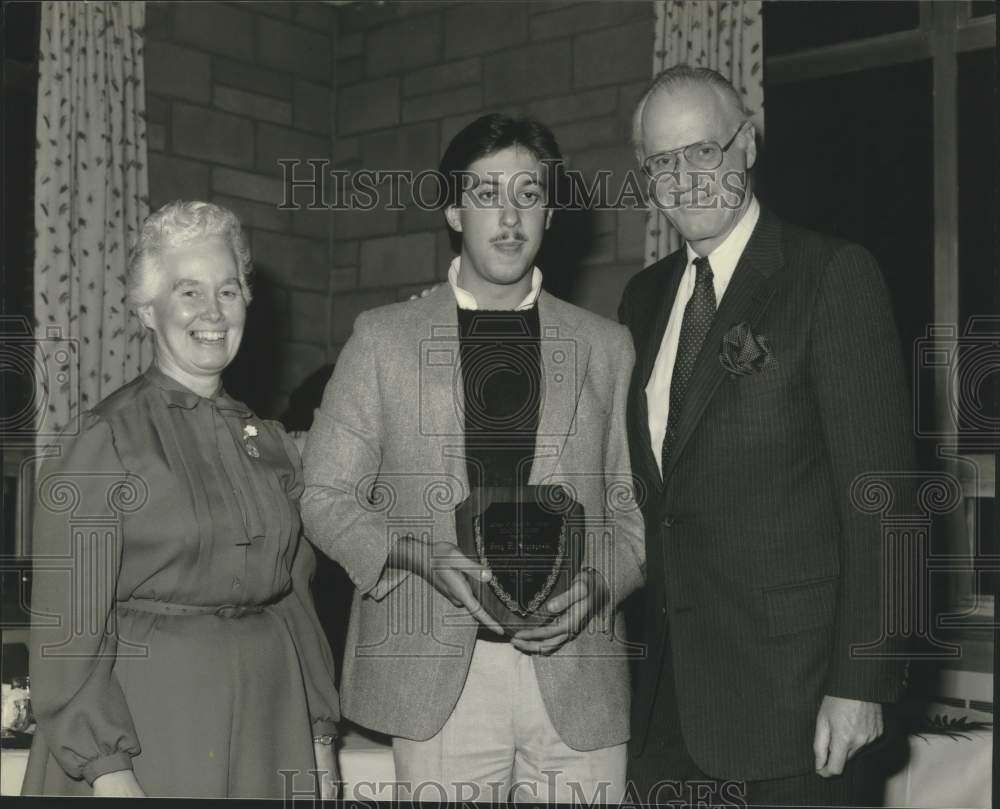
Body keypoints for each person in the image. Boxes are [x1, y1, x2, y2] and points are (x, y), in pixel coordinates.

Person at [302, 114, 645, 803]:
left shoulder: (608, 347)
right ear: (454, 209)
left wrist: (599, 588)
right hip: (441, 683)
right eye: (487, 194)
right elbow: (324, 496)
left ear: (550, 209)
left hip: (578, 677)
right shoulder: (384, 340)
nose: (509, 215)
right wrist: (419, 557)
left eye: (528, 193)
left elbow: (633, 514)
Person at [618, 65, 914, 806]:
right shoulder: (643, 298)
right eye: (661, 162)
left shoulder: (830, 275)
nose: (682, 180)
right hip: (667, 707)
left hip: (800, 711)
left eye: (702, 153)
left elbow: (884, 500)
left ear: (746, 145)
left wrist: (860, 682)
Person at [22, 201, 340, 799]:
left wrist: (320, 735)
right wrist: (108, 769)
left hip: (268, 730)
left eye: (227, 290)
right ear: (147, 308)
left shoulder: (267, 443)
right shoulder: (104, 440)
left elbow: (294, 600)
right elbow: (68, 627)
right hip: (147, 731)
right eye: (188, 292)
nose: (212, 313)